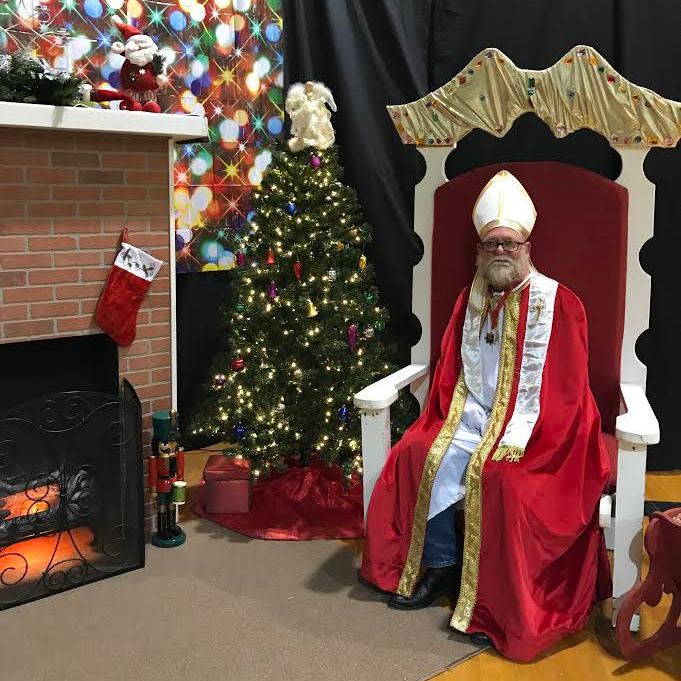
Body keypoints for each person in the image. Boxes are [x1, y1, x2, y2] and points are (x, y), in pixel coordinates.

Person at [360, 170, 612, 662]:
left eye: (509, 243)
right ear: (479, 249)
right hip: (473, 415)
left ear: (527, 247)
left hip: (541, 428)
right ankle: (440, 565)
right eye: (491, 243)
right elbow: (451, 372)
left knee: (503, 478)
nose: (500, 251)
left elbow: (567, 389)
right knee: (418, 452)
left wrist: (518, 431)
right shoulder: (469, 299)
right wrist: (464, 420)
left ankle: (498, 604)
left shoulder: (560, 303)